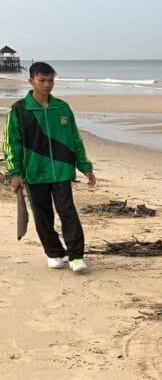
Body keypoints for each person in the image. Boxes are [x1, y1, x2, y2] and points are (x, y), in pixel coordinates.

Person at [3, 62, 96, 273]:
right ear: (31, 81)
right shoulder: (19, 110)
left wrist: (85, 165)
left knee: (68, 212)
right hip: (34, 172)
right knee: (43, 215)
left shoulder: (62, 108)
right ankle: (54, 253)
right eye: (42, 80)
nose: (47, 85)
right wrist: (15, 172)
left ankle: (76, 256)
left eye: (50, 80)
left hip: (61, 170)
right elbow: (11, 143)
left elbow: (75, 139)